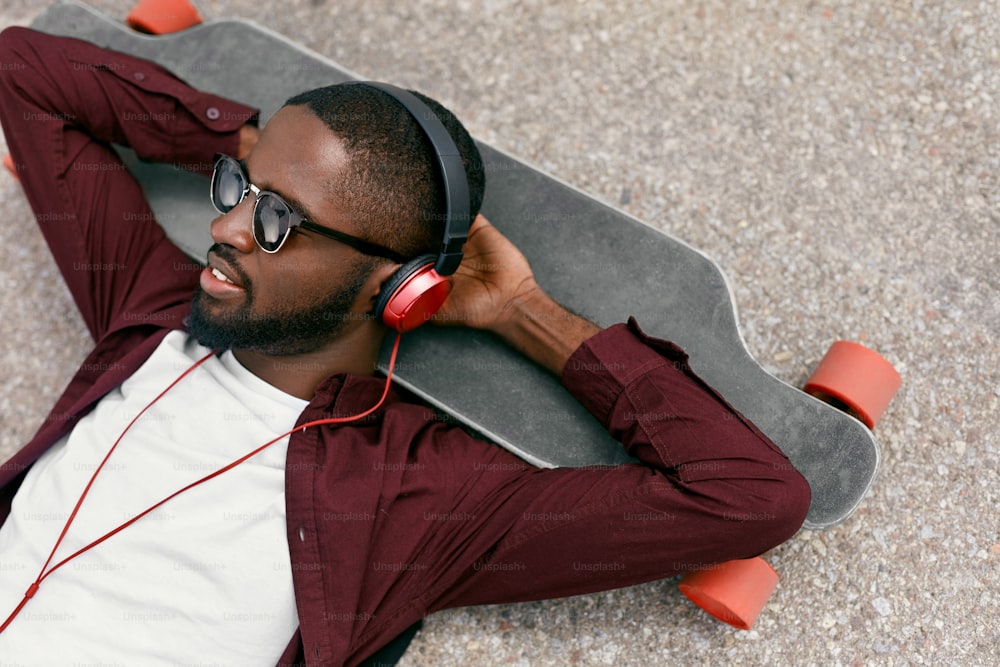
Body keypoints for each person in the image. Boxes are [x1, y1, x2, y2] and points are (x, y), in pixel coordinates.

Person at [0, 26, 810, 667]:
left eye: (277, 221)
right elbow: (21, 69)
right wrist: (257, 144)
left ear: (398, 283)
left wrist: (525, 313)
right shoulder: (147, 305)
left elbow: (748, 495)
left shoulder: (416, 499)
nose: (224, 228)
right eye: (237, 190)